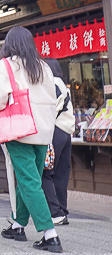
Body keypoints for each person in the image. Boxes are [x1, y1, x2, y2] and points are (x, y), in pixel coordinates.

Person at [0, 26, 60, 253]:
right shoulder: (43, 67)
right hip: (43, 131)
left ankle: (50, 234)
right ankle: (18, 225)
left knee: (28, 182)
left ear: (9, 44)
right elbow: (53, 98)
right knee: (29, 178)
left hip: (18, 129)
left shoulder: (5, 66)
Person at [42, 59, 73, 226]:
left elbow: (49, 109)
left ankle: (55, 212)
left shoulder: (52, 84)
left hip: (55, 131)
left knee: (46, 172)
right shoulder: (62, 84)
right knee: (61, 173)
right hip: (66, 132)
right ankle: (62, 210)